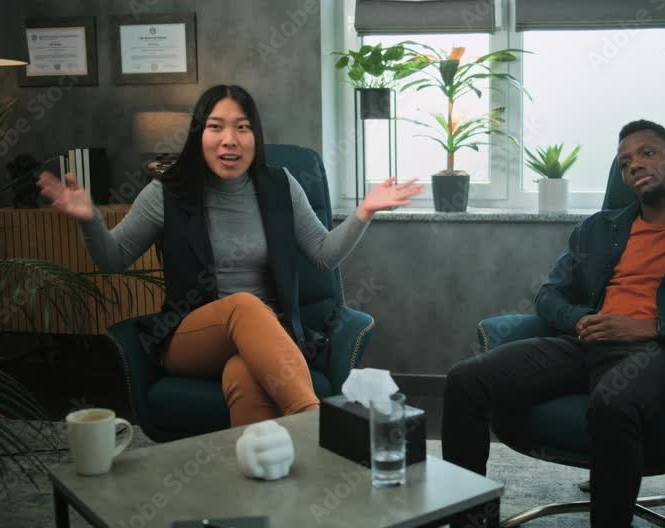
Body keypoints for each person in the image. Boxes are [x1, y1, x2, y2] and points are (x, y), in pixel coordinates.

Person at [441, 120, 665, 528]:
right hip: (584, 343)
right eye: (625, 162)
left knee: (613, 404)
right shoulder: (599, 228)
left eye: (647, 153)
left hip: (657, 351)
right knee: (464, 380)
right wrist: (580, 318)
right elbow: (549, 294)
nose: (634, 165)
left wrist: (654, 328)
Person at [38, 84, 423, 427]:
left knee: (247, 375)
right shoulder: (166, 193)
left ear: (255, 136)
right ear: (199, 135)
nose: (229, 140)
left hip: (268, 336)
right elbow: (114, 258)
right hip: (190, 338)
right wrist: (89, 219)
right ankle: (314, 422)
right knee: (243, 305)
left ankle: (262, 474)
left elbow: (323, 256)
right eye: (216, 127)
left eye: (242, 127)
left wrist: (364, 211)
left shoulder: (281, 185)